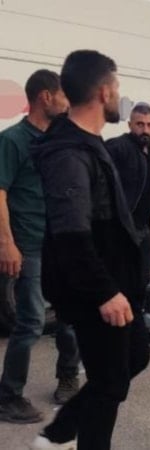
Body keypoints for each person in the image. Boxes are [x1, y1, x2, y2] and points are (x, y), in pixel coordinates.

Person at [30, 49, 150, 449]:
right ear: (103, 91)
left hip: (116, 283)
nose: (119, 95)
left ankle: (60, 432)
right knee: (108, 384)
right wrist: (105, 293)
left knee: (135, 358)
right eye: (116, 87)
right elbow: (71, 236)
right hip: (96, 289)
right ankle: (62, 436)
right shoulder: (68, 152)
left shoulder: (90, 142)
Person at [0, 70, 81, 426]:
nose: (68, 102)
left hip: (59, 245)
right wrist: (7, 244)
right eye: (63, 95)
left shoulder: (59, 140)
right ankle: (8, 396)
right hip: (29, 244)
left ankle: (67, 378)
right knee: (31, 322)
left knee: (69, 316)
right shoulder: (13, 140)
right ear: (45, 97)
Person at [105, 102, 150, 344]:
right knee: (122, 282)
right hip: (124, 228)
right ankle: (119, 333)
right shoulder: (117, 147)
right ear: (130, 124)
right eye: (140, 124)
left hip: (144, 226)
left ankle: (139, 331)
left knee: (141, 282)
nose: (145, 130)